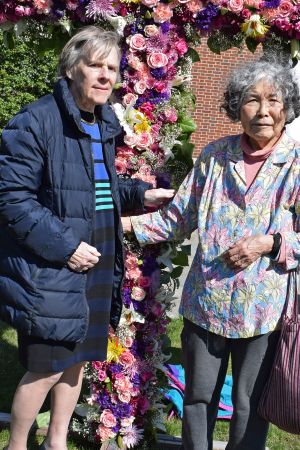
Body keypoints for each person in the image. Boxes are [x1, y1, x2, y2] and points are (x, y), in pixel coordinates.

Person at [0, 26, 174, 450]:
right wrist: (66, 247)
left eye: (111, 67)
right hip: (55, 263)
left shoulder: (101, 123)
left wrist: (140, 194)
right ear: (71, 68)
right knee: (46, 367)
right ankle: (18, 444)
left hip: (97, 256)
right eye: (94, 65)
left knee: (77, 362)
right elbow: (11, 198)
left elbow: (99, 186)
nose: (104, 76)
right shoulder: (35, 120)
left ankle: (56, 442)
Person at [122, 57, 300, 450]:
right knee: (198, 400)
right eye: (252, 100)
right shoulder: (215, 155)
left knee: (249, 406)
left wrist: (270, 242)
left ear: (287, 106)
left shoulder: (297, 162)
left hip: (261, 310)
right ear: (238, 107)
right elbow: (178, 218)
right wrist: (123, 226)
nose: (264, 110)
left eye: (273, 99)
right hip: (206, 303)